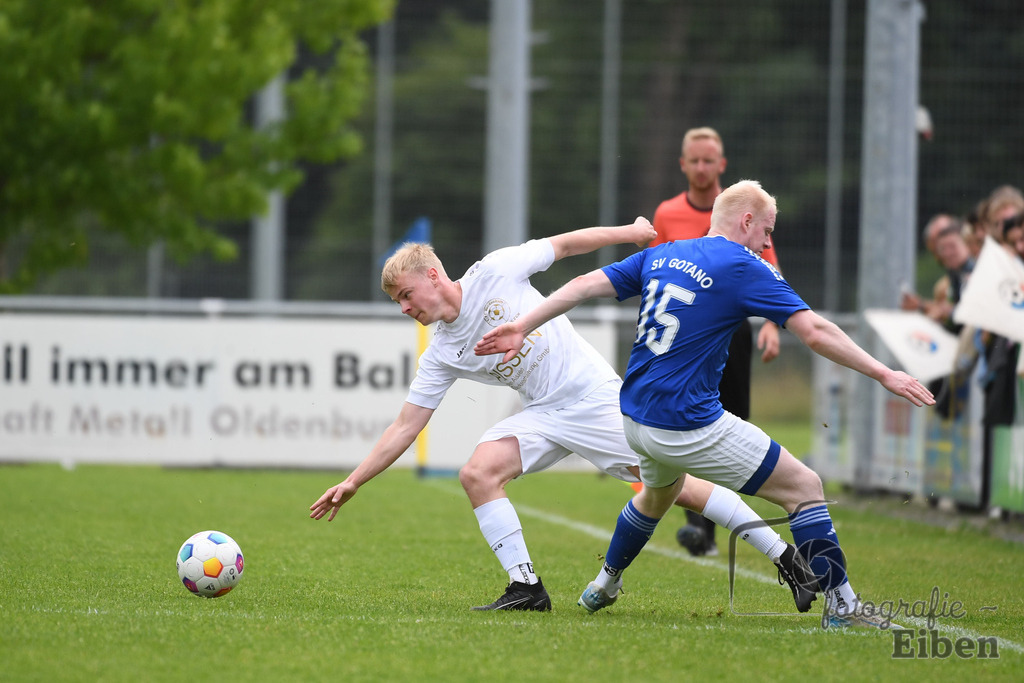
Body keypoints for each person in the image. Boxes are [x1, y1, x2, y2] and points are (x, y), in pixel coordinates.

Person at [475, 180, 935, 629]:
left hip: (633, 417)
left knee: (657, 497)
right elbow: (814, 331)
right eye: (767, 232)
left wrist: (522, 325)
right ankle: (845, 607)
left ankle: (605, 583)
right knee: (805, 486)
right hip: (684, 422)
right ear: (747, 221)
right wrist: (884, 372)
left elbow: (580, 285)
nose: (767, 243)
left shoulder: (664, 253)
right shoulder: (742, 265)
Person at [310, 218, 817, 613]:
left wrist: (632, 234)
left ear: (433, 275)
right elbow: (406, 425)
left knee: (676, 489)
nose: (404, 308)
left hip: (594, 400)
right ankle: (525, 586)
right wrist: (354, 482)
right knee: (478, 473)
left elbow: (567, 245)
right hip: (544, 414)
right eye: (398, 302)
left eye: (404, 296)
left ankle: (785, 557)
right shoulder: (441, 350)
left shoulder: (495, 270)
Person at [651, 126, 781, 557]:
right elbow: (659, 273)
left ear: (721, 165)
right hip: (688, 338)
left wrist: (768, 324)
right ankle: (700, 529)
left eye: (710, 160)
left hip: (733, 333)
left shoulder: (747, 211)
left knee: (731, 424)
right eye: (696, 160)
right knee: (683, 421)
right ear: (683, 164)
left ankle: (713, 524)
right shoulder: (667, 213)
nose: (703, 167)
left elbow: (768, 270)